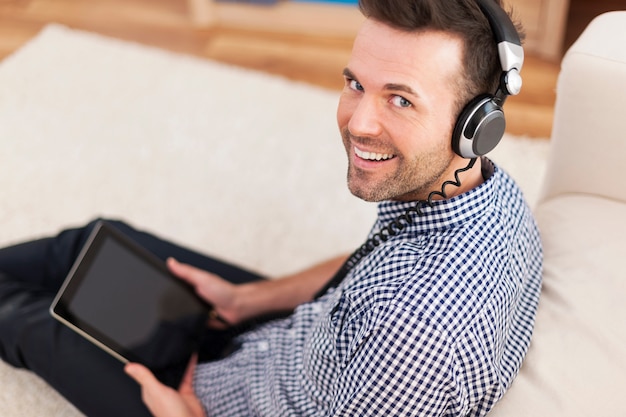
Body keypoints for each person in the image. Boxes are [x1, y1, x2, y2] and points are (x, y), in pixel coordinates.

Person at [0, 0, 542, 415]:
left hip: (216, 404)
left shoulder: (414, 339)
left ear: (476, 126)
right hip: (292, 343)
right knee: (96, 241)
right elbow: (372, 265)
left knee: (35, 325)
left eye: (400, 99)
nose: (357, 123)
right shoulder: (483, 190)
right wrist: (246, 299)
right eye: (356, 83)